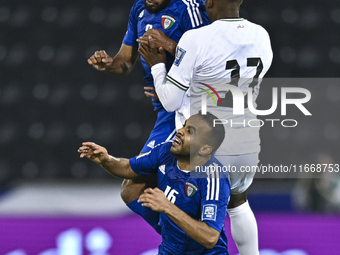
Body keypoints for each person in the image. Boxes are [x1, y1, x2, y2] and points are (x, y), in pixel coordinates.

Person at [138, 0, 273, 254]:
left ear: (209, 2)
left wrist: (157, 66)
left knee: (195, 214)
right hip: (247, 142)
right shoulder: (262, 35)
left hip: (209, 143)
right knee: (238, 203)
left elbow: (170, 101)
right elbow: (222, 66)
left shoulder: (196, 37)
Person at [87, 0, 210, 226]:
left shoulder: (189, 8)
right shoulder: (139, 10)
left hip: (188, 111)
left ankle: (190, 241)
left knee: (136, 188)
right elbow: (124, 63)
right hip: (165, 112)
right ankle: (186, 241)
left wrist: (168, 53)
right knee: (133, 189)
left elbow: (209, 63)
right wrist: (109, 64)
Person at [78, 113, 231, 254]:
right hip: (170, 251)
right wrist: (106, 160)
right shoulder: (166, 151)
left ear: (205, 149)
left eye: (190, 131)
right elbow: (128, 167)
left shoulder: (214, 179)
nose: (180, 130)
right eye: (183, 125)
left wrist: (167, 207)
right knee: (132, 184)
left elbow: (210, 238)